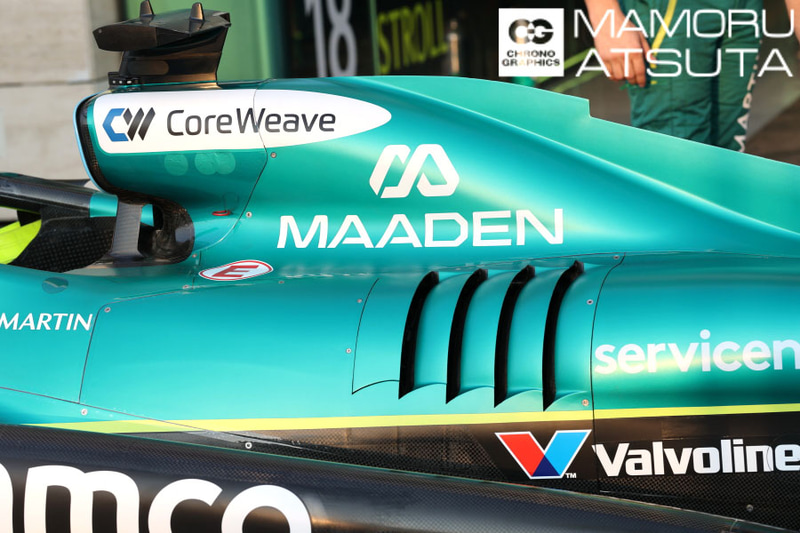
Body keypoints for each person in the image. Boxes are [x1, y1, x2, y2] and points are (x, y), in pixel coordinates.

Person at [584, 0, 799, 151]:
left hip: (744, 7)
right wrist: (604, 11)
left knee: (729, 154)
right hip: (673, 8)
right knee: (675, 156)